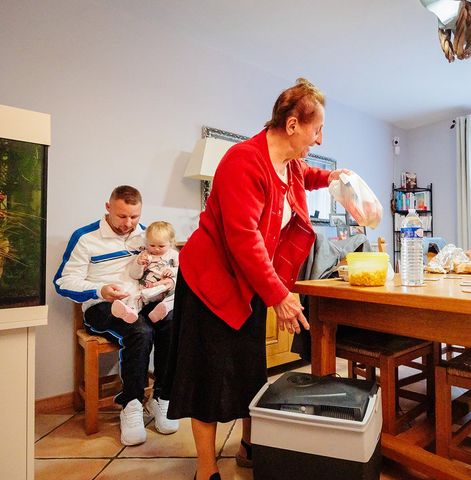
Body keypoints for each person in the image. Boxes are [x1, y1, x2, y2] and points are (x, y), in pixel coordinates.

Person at [166, 78, 351, 480]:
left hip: (247, 283)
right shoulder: (242, 161)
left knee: (250, 368)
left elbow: (309, 174)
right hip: (210, 284)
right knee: (209, 377)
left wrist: (336, 179)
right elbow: (244, 239)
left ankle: (249, 447)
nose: (318, 139)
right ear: (292, 126)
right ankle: (205, 468)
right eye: (316, 129)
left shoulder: (288, 163)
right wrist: (279, 295)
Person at [54, 186, 179, 446]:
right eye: (122, 216)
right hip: (102, 305)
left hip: (140, 300)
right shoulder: (85, 237)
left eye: (134, 216)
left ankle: (161, 398)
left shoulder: (146, 235)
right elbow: (63, 282)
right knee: (140, 331)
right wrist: (99, 289)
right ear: (108, 207)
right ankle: (131, 404)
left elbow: (166, 261)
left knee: (171, 322)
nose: (129, 224)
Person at [111, 221, 179, 324]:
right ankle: (130, 312)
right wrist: (139, 264)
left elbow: (182, 271)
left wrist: (173, 271)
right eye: (152, 245)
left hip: (165, 290)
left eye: (161, 246)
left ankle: (162, 310)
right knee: (135, 297)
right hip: (147, 290)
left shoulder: (173, 255)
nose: (156, 249)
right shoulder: (144, 255)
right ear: (147, 243)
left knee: (175, 296)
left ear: (171, 243)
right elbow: (134, 275)